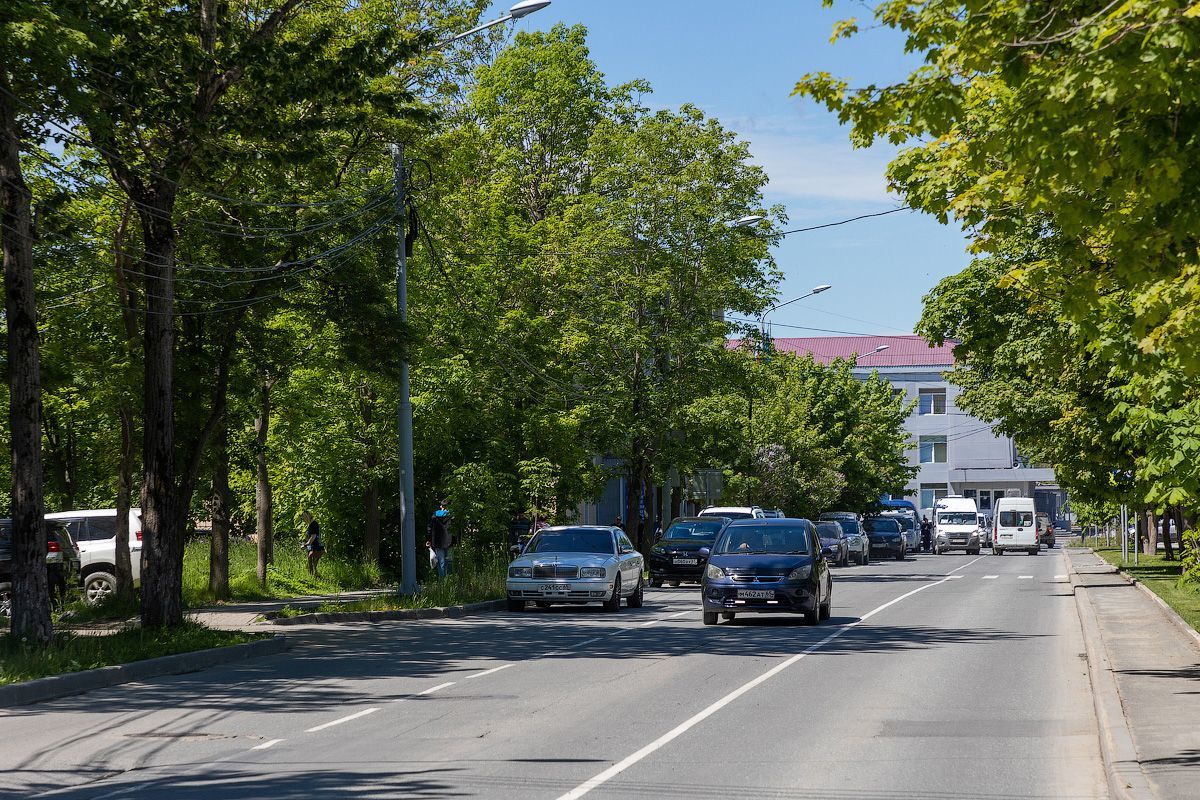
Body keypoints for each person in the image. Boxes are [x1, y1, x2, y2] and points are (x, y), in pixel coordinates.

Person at [426, 499, 454, 578]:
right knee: (449, 562)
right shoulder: (452, 516)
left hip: (437, 542)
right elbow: (455, 530)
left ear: (441, 506)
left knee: (441, 563)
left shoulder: (434, 515)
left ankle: (442, 583)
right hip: (450, 542)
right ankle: (450, 581)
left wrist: (429, 540)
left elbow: (429, 528)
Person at [302, 511, 324, 577]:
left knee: (312, 563)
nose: (304, 519)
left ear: (309, 515)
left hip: (317, 547)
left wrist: (305, 545)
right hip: (312, 547)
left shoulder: (314, 524)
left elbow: (313, 537)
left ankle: (314, 577)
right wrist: (307, 547)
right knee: (310, 564)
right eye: (303, 517)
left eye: (305, 517)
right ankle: (313, 577)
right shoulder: (310, 525)